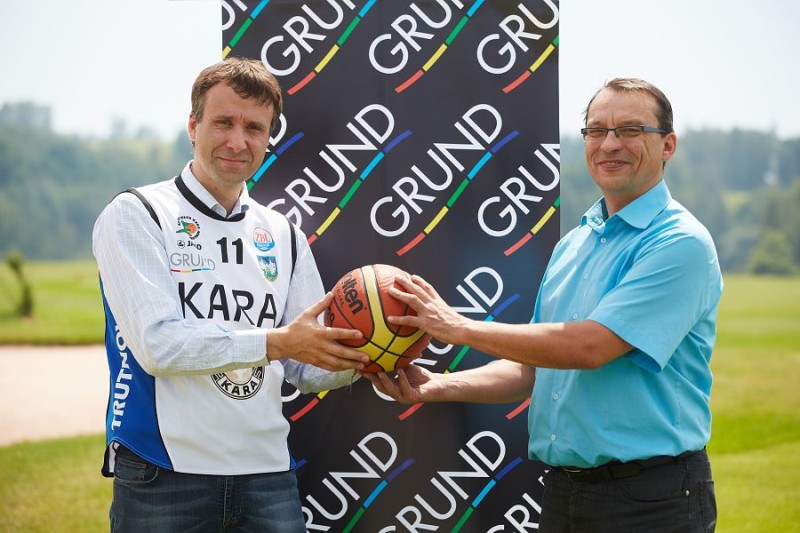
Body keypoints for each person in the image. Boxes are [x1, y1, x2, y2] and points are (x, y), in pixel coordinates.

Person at [364, 78, 721, 532]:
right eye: (596, 130)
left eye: (631, 130)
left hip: (650, 499)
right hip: (563, 493)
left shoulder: (679, 242)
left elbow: (590, 347)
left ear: (667, 145)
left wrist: (457, 326)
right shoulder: (574, 244)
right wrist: (437, 385)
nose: (610, 144)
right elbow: (532, 369)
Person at [92, 57, 370, 532]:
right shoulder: (137, 213)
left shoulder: (283, 233)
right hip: (164, 472)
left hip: (267, 474)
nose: (238, 142)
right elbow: (158, 346)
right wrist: (277, 342)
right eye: (223, 122)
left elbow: (306, 369)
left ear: (268, 137)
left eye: (254, 128)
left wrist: (371, 355)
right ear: (193, 125)